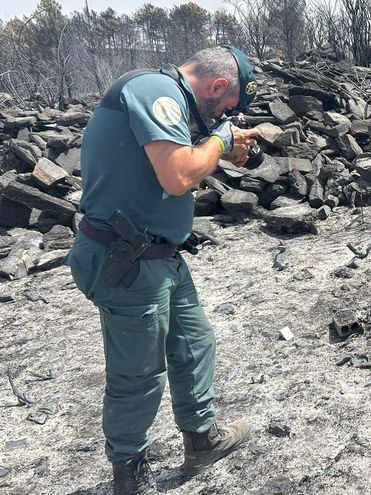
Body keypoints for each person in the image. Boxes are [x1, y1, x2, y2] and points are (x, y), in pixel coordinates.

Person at [65, 46, 261, 494]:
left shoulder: (164, 98)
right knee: (138, 373)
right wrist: (219, 141)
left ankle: (201, 439)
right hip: (127, 260)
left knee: (195, 343)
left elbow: (168, 168)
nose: (226, 114)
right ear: (216, 87)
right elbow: (177, 176)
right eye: (229, 105)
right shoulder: (155, 91)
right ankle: (129, 474)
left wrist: (220, 149)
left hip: (158, 256)